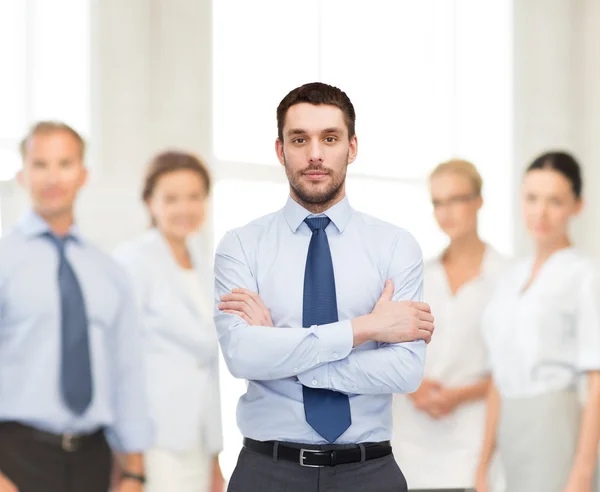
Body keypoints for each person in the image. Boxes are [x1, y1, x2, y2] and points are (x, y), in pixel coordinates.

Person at [214, 82, 435, 492]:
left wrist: (282, 351)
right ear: (280, 150)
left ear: (351, 147)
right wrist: (365, 329)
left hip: (369, 472)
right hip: (267, 472)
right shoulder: (241, 246)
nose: (314, 153)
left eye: (329, 138)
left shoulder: (395, 246)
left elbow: (405, 370)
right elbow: (243, 356)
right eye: (299, 139)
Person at [0, 121, 151, 492]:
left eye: (65, 163)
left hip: (94, 459)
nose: (53, 176)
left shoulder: (109, 271)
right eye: (40, 164)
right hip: (15, 457)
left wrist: (134, 470)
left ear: (83, 174)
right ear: (21, 174)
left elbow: (126, 371)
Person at [475, 151, 600, 492]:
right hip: (511, 432)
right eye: (532, 198)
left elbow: (597, 379)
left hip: (556, 426)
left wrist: (582, 474)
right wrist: (483, 464)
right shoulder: (510, 279)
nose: (540, 212)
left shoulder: (584, 275)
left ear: (577, 205)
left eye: (555, 201)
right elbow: (497, 379)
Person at [114, 151, 225, 492]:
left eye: (194, 197)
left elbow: (208, 364)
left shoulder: (204, 264)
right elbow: (121, 361)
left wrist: (214, 455)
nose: (185, 209)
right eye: (171, 198)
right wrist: (131, 460)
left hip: (198, 438)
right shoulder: (132, 261)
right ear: (150, 202)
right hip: (154, 439)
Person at [392, 159, 505, 489]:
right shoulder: (416, 276)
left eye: (456, 199)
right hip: (411, 443)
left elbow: (514, 366)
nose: (446, 212)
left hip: (473, 444)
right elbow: (387, 348)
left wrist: (463, 394)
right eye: (438, 202)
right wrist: (414, 388)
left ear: (479, 201)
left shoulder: (508, 277)